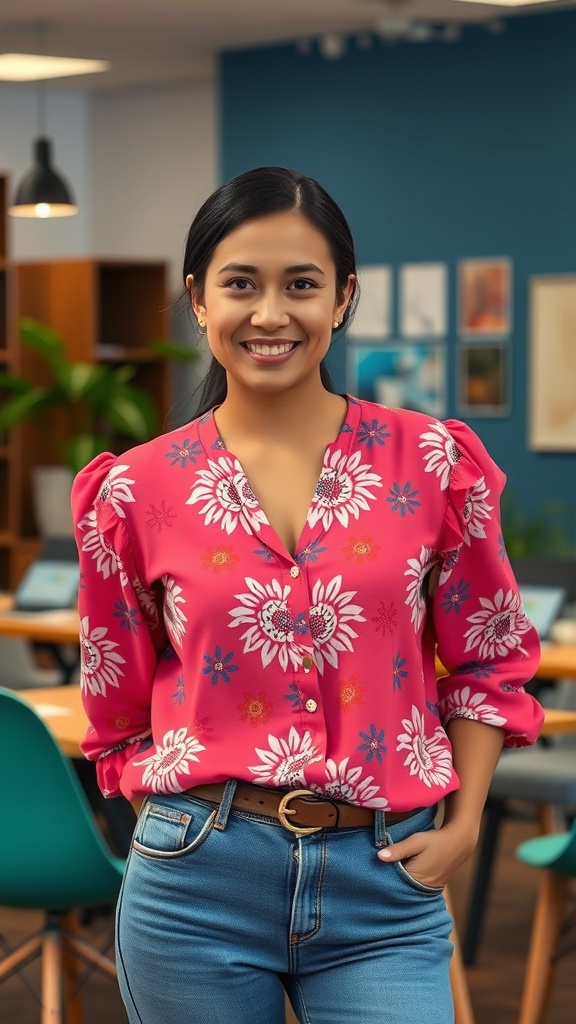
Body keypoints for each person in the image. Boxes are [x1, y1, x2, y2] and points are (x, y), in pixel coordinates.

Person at [71, 166, 544, 1024]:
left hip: (385, 875)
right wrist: (181, 835)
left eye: (302, 284)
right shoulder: (133, 492)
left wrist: (468, 820)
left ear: (342, 298)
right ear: (199, 299)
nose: (271, 313)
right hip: (196, 884)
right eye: (241, 284)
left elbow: (489, 659)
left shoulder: (434, 463)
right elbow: (117, 705)